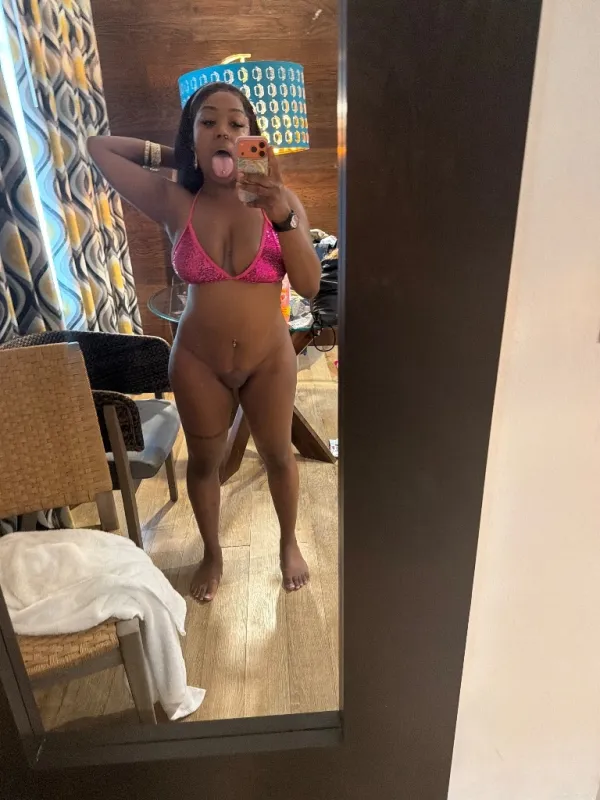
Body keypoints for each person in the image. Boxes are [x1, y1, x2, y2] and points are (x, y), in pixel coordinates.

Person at [88, 82, 321, 602]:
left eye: (237, 125)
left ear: (254, 135)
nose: (224, 132)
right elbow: (98, 147)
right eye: (208, 122)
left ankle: (288, 542)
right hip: (197, 361)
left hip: (269, 358)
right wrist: (186, 155)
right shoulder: (176, 202)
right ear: (191, 135)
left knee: (279, 457)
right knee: (203, 463)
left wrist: (281, 214)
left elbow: (308, 285)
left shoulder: (281, 203)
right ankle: (212, 554)